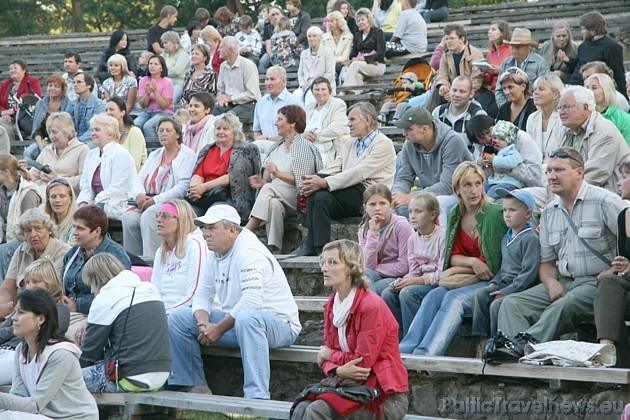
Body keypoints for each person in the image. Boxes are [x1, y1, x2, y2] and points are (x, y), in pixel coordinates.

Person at [167, 204, 301, 398]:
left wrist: (219, 328)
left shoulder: (249, 251)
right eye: (205, 228)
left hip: (280, 326)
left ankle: (256, 397)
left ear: (231, 230)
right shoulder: (213, 252)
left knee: (248, 318)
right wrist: (203, 323)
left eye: (212, 228)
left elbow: (252, 301)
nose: (206, 234)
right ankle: (194, 386)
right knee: (179, 317)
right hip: (239, 324)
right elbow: (202, 295)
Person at [497, 148, 626, 344]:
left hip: (596, 283)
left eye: (559, 170)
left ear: (579, 172)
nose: (552, 176)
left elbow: (628, 244)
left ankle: (525, 345)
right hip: (564, 280)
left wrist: (611, 270)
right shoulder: (549, 211)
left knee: (562, 306)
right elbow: (547, 262)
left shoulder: (605, 202)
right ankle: (516, 359)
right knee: (510, 303)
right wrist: (551, 283)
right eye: (548, 171)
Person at [291, 239, 408, 419]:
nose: (324, 268)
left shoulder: (371, 306)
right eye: (323, 262)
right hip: (348, 386)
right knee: (302, 407)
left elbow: (361, 365)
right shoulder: (332, 305)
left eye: (332, 262)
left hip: (384, 396)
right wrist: (337, 369)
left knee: (317, 410)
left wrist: (328, 356)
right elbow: (326, 361)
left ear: (352, 268)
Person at [399, 162, 507, 356]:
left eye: (478, 184)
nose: (474, 190)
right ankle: (406, 350)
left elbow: (491, 267)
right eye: (467, 185)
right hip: (468, 274)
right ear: (456, 189)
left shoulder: (494, 213)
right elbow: (454, 256)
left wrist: (457, 269)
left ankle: (426, 355)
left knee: (452, 298)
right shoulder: (456, 213)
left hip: (490, 280)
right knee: (433, 295)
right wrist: (472, 262)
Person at [293, 102, 396, 256]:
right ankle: (320, 249)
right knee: (318, 195)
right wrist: (314, 179)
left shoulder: (383, 144)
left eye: (352, 119)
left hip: (370, 193)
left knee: (320, 190)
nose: (348, 124)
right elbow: (335, 166)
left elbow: (359, 172)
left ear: (367, 120)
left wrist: (325, 182)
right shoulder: (350, 143)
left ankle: (311, 245)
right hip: (348, 190)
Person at [0, 288, 98, 419]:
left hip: (74, 417)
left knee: (7, 416)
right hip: (44, 415)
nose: (14, 318)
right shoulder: (21, 350)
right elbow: (18, 397)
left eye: (21, 312)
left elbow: (35, 405)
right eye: (15, 312)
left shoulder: (61, 354)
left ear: (41, 318)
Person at [80, 253, 171, 393]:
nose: (92, 291)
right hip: (161, 377)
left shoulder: (105, 298)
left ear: (96, 279)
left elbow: (89, 355)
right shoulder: (150, 289)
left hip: (128, 378)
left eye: (90, 284)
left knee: (63, 381)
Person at [246, 105, 323, 254]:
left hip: (299, 197)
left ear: (292, 123)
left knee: (269, 190)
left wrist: (278, 174)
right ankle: (276, 251)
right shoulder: (275, 147)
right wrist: (261, 183)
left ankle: (249, 229)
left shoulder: (304, 147)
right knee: (274, 204)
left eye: (280, 119)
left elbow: (304, 183)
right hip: (277, 195)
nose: (275, 123)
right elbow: (267, 182)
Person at [471, 188, 539, 340]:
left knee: (496, 306)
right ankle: (481, 339)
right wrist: (494, 281)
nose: (507, 214)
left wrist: (506, 291)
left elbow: (528, 274)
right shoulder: (505, 238)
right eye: (504, 210)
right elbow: (504, 267)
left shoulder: (530, 238)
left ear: (527, 214)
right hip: (503, 283)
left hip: (520, 288)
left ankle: (498, 341)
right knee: (479, 295)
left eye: (512, 210)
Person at [123, 117, 196, 257]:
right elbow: (139, 178)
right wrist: (139, 195)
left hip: (172, 202)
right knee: (129, 217)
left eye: (168, 130)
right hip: (147, 200)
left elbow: (182, 188)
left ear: (178, 134)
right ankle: (134, 261)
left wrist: (155, 200)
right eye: (161, 131)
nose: (163, 134)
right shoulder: (155, 154)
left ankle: (152, 259)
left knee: (151, 215)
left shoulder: (187, 155)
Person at [392, 106, 473, 225]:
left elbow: (447, 186)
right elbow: (403, 178)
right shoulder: (409, 144)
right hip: (430, 193)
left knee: (437, 203)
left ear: (424, 129)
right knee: (389, 206)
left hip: (461, 194)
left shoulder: (452, 141)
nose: (404, 133)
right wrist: (396, 195)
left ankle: (441, 243)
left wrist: (412, 197)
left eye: (409, 129)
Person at [62, 205, 131, 340]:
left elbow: (118, 296)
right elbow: (62, 285)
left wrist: (77, 305)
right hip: (68, 312)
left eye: (80, 229)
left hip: (99, 315)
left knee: (64, 337)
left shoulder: (115, 255)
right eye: (74, 227)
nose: (74, 232)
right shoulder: (72, 254)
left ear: (97, 231)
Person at [381, 193, 445, 338]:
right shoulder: (412, 239)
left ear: (432, 215)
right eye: (410, 211)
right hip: (419, 280)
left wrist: (416, 281)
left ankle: (414, 338)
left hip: (436, 283)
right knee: (388, 293)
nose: (413, 216)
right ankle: (398, 339)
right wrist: (402, 281)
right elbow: (414, 270)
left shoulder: (442, 237)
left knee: (408, 293)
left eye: (418, 211)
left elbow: (442, 272)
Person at [0, 260, 70, 386]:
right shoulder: (21, 307)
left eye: (36, 282)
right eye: (27, 282)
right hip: (4, 350)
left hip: (23, 356)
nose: (30, 287)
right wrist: (19, 327)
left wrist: (16, 328)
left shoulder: (59, 309)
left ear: (50, 285)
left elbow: (43, 333)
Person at [0, 209, 70, 320]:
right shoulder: (22, 249)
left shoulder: (63, 252)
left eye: (38, 229)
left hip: (43, 310)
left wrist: (12, 308)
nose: (33, 234)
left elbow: (49, 291)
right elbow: (8, 287)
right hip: (16, 308)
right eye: (28, 231)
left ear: (49, 230)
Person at [555, 86, 629, 193]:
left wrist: (560, 192)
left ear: (585, 107)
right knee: (526, 196)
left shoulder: (605, 131)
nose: (561, 112)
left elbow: (594, 175)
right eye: (559, 108)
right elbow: (556, 164)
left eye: (566, 107)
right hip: (570, 186)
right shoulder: (565, 129)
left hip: (604, 192)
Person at [187, 112, 260, 219]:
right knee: (179, 214)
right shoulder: (208, 149)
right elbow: (198, 174)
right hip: (203, 197)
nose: (220, 132)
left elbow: (233, 176)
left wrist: (203, 187)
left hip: (228, 198)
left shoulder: (244, 150)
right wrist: (195, 189)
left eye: (225, 129)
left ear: (234, 132)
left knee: (214, 215)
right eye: (218, 128)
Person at [594, 159, 630, 368]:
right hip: (626, 283)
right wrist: (621, 267)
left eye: (624, 177)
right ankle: (606, 350)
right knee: (608, 282)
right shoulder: (623, 216)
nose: (618, 183)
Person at [152, 200, 207, 313]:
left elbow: (195, 296)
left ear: (181, 220)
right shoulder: (161, 251)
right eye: (158, 215)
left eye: (165, 216)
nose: (159, 219)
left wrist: (164, 314)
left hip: (188, 313)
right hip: (165, 312)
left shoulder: (195, 245)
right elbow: (155, 292)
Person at [358, 184, 414, 294]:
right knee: (363, 276)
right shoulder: (364, 229)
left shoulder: (402, 226)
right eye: (372, 204)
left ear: (391, 205)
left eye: (382, 203)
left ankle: (366, 309)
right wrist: (373, 233)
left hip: (398, 277)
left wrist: (377, 268)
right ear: (365, 207)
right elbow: (368, 265)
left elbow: (405, 266)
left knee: (366, 289)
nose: (377, 208)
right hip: (374, 275)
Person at [77, 114, 137, 209]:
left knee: (88, 214)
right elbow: (85, 186)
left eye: (97, 130)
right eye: (92, 130)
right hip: (95, 203)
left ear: (110, 135)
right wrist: (83, 202)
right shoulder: (91, 155)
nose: (93, 133)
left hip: (116, 202)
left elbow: (117, 188)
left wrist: (94, 202)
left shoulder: (121, 154)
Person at [21, 112, 89, 195]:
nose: (51, 136)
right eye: (49, 132)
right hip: (42, 193)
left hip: (66, 196)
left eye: (55, 132)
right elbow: (33, 174)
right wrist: (21, 171)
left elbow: (84, 180)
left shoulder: (82, 150)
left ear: (67, 131)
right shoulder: (47, 150)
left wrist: (58, 179)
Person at [0, 155, 42, 283]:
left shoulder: (28, 193)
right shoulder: (2, 192)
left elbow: (29, 224)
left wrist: (13, 239)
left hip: (23, 240)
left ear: (6, 172)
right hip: (6, 238)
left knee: (3, 250)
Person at [568, 11, 626, 97]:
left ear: (593, 31)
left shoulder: (612, 47)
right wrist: (567, 61)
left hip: (590, 89)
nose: (581, 32)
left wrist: (626, 97)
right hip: (572, 86)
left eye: (584, 29)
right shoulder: (583, 46)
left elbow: (618, 74)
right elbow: (579, 65)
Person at [430, 25, 486, 113]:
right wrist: (443, 86)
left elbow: (476, 79)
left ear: (462, 39)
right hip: (453, 90)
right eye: (446, 39)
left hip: (471, 91)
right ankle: (428, 120)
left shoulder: (475, 54)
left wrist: (455, 92)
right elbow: (442, 75)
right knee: (437, 93)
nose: (448, 42)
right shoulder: (446, 55)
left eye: (451, 38)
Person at [213, 37, 262, 125]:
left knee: (227, 120)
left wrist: (230, 98)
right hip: (229, 104)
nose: (218, 50)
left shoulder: (248, 65)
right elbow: (221, 89)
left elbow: (252, 94)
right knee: (211, 116)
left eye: (221, 47)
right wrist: (221, 98)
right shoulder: (223, 66)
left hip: (248, 105)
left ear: (230, 50)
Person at [495, 28, 549, 108]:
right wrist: (505, 108)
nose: (514, 50)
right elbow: (499, 91)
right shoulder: (506, 63)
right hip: (509, 107)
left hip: (532, 108)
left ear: (528, 47)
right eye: (512, 47)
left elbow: (545, 89)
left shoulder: (540, 63)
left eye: (518, 47)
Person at [304, 77, 350, 166]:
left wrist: (316, 136)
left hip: (326, 149)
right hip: (307, 147)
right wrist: (303, 135)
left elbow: (338, 128)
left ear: (329, 91)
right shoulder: (309, 107)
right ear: (312, 92)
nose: (320, 92)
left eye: (323, 89)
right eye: (316, 89)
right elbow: (300, 128)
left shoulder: (337, 104)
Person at [0, 59, 42, 155]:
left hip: (26, 118)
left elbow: (35, 101)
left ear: (24, 70)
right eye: (10, 68)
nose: (12, 70)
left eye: (15, 68)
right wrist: (3, 112)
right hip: (8, 119)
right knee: (2, 126)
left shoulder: (32, 82)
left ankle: (8, 152)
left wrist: (13, 111)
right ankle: (8, 152)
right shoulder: (5, 85)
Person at [253, 66, 302, 149]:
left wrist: (269, 140)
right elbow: (256, 130)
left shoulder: (292, 103)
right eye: (266, 79)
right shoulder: (261, 102)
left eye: (272, 79)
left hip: (287, 148)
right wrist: (260, 139)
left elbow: (295, 133)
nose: (268, 83)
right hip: (264, 148)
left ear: (284, 81)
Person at [432, 76, 487, 147]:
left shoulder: (478, 115)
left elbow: (479, 148)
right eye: (454, 90)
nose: (457, 95)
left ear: (471, 94)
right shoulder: (438, 111)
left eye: (462, 91)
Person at [24, 75, 69, 161]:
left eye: (56, 86)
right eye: (50, 85)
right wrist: (41, 145)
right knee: (28, 153)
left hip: (62, 140)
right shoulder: (40, 104)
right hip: (43, 139)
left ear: (62, 89)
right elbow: (36, 129)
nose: (52, 88)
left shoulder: (69, 104)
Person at [341, 8, 386, 95]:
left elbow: (381, 54)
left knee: (355, 65)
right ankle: (355, 96)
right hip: (361, 66)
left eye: (362, 19)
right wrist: (349, 59)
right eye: (358, 20)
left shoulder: (378, 32)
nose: (360, 22)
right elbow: (353, 53)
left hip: (377, 65)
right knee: (357, 75)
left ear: (368, 19)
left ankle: (344, 90)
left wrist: (363, 59)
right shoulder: (357, 35)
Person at [526, 75, 564, 171]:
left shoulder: (563, 118)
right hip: (534, 171)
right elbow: (529, 152)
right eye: (535, 89)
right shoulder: (532, 118)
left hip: (557, 169)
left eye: (541, 89)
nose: (535, 93)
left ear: (555, 95)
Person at [293, 26, 336, 107]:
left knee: (310, 95)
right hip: (305, 85)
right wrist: (302, 85)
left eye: (314, 36)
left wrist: (312, 84)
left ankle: (309, 117)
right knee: (295, 95)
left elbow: (330, 74)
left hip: (322, 86)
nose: (311, 38)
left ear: (319, 38)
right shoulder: (304, 53)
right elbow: (300, 73)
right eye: (309, 36)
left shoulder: (328, 52)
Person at [483, 121, 526, 199]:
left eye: (502, 139)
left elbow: (513, 161)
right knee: (483, 187)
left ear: (509, 141)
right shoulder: (497, 151)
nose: (497, 141)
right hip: (497, 181)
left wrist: (494, 160)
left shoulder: (511, 150)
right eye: (495, 138)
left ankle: (487, 207)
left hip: (510, 183)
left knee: (492, 191)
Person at [135, 55, 174, 139]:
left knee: (148, 126)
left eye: (156, 64)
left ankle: (154, 149)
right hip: (147, 112)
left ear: (162, 68)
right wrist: (148, 94)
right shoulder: (143, 80)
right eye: (150, 63)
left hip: (164, 112)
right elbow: (142, 105)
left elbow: (164, 105)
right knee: (135, 125)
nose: (152, 66)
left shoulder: (167, 81)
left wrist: (155, 92)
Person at [585, 73, 630, 145]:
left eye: (594, 88)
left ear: (606, 90)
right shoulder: (582, 116)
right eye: (587, 88)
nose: (588, 91)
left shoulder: (624, 119)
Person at [105, 97, 147, 171]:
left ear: (123, 113)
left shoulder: (134, 132)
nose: (108, 113)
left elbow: (135, 165)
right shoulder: (108, 135)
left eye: (111, 109)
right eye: (106, 110)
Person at [66, 73, 106, 144]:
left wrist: (77, 141)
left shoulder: (99, 104)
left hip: (92, 140)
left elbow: (94, 128)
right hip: (73, 141)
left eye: (79, 82)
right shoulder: (71, 104)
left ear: (89, 85)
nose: (75, 85)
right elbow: (65, 124)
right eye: (74, 82)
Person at [482, 20, 511, 112]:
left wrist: (500, 70)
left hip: (504, 89)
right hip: (492, 90)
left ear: (502, 33)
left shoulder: (510, 50)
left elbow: (514, 71)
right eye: (489, 29)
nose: (489, 32)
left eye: (493, 29)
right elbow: (489, 80)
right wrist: (484, 72)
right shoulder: (491, 53)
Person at [322, 11, 354, 83]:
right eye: (328, 21)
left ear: (339, 22)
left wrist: (330, 59)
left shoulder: (348, 36)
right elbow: (322, 56)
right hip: (327, 66)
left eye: (332, 21)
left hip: (342, 67)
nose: (329, 24)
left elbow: (344, 57)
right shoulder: (324, 37)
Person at [161, 31, 191, 105]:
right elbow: (157, 68)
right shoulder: (164, 55)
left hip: (179, 83)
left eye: (166, 42)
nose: (164, 45)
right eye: (163, 43)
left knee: (170, 100)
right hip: (164, 82)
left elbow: (177, 72)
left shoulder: (183, 54)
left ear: (174, 42)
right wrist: (170, 68)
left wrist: (162, 71)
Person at [44, 178, 77, 244]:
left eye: (62, 196)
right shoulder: (44, 223)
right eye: (53, 196)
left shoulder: (76, 224)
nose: (57, 200)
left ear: (70, 198)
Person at [258, 6, 284, 72]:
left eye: (277, 14)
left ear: (281, 15)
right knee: (262, 62)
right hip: (271, 52)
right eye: (273, 15)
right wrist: (271, 56)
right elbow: (268, 46)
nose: (275, 17)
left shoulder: (286, 26)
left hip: (284, 51)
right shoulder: (267, 28)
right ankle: (263, 80)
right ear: (270, 17)